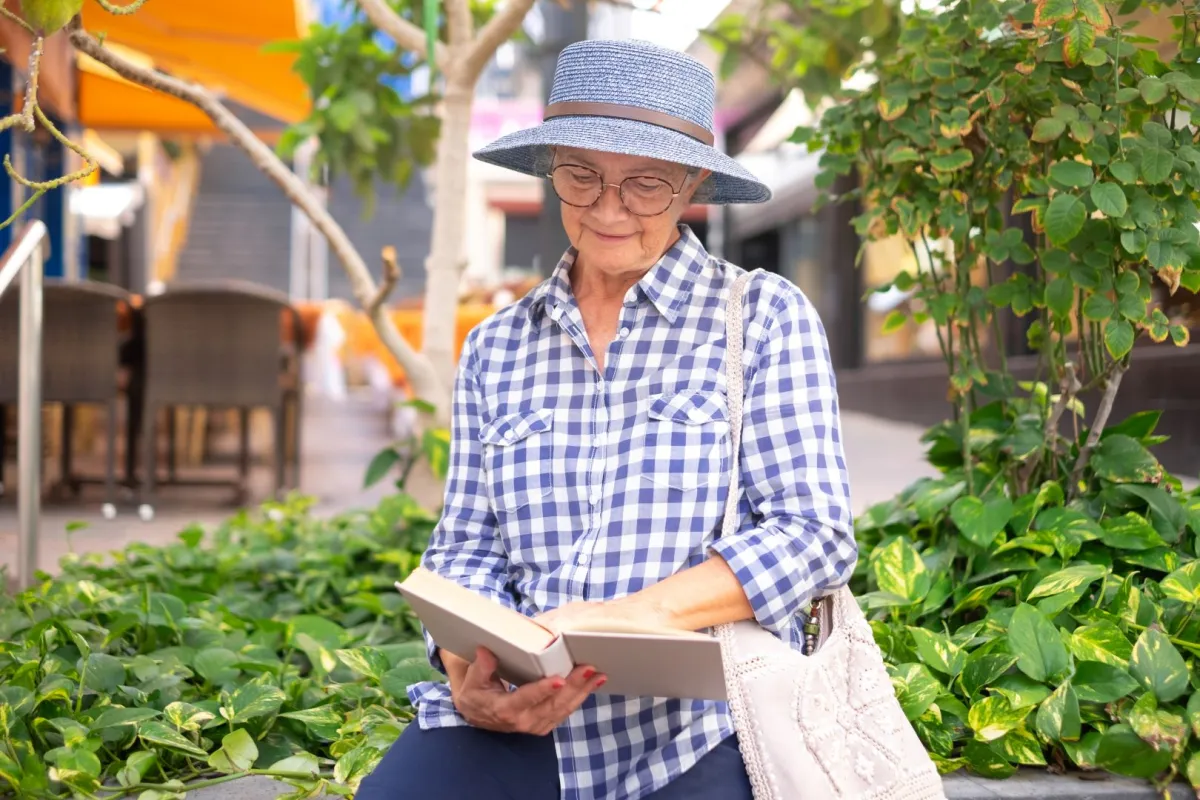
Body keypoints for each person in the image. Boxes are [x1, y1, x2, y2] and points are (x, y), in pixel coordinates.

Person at [357, 38, 857, 800]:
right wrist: (467, 675)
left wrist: (625, 618)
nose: (607, 209)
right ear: (551, 167)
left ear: (691, 183)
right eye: (581, 176)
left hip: (702, 721)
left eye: (645, 185)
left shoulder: (761, 316)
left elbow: (812, 535)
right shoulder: (496, 345)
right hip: (527, 711)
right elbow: (463, 548)